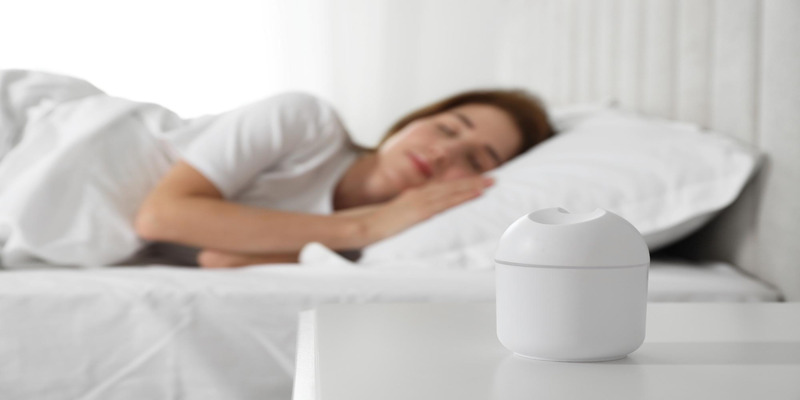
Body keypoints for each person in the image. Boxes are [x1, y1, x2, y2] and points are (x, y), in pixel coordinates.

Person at [134, 89, 554, 268]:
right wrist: (363, 226)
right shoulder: (306, 123)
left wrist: (366, 234)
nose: (444, 152)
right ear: (413, 121)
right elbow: (162, 216)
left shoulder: (377, 247)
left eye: (476, 159)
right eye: (447, 128)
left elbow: (219, 258)